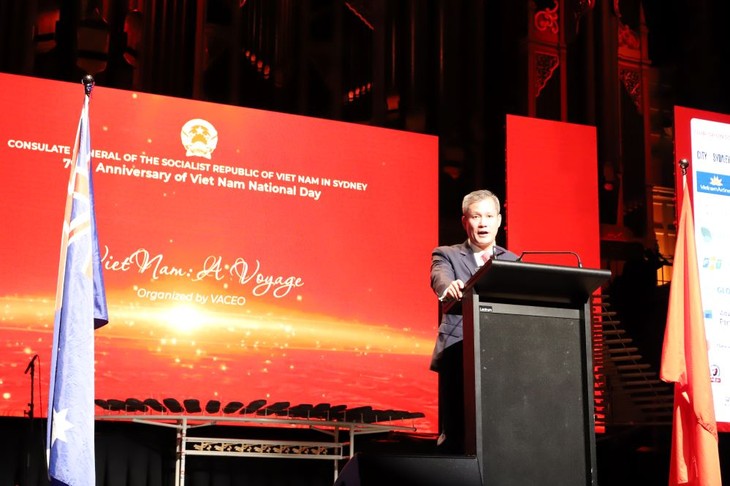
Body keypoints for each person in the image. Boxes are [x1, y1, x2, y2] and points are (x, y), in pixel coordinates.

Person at [430, 189, 518, 453]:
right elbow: (440, 278)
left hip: (501, 357)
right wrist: (447, 289)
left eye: (489, 216)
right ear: (464, 221)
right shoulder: (447, 254)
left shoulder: (513, 261)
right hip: (459, 353)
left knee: (498, 433)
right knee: (456, 433)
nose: (483, 223)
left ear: (499, 221)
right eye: (476, 216)